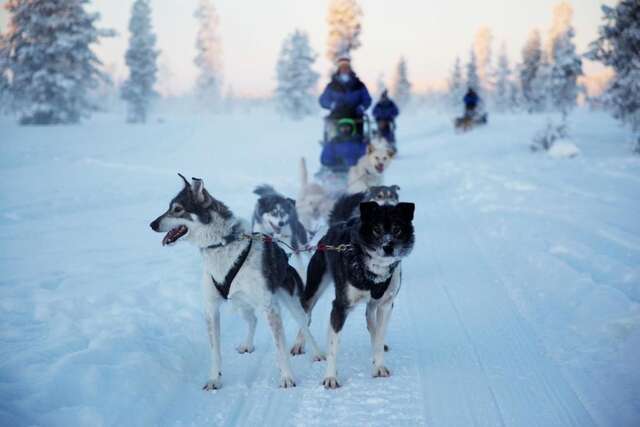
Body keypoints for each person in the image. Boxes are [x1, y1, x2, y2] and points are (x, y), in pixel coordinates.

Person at [319, 54, 372, 132]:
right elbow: (323, 100)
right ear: (339, 69)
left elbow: (367, 99)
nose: (344, 69)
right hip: (337, 115)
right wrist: (332, 105)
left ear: (350, 69)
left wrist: (362, 107)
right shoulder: (332, 85)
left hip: (355, 115)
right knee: (332, 132)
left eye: (346, 67)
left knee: (358, 135)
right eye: (342, 67)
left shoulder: (359, 85)